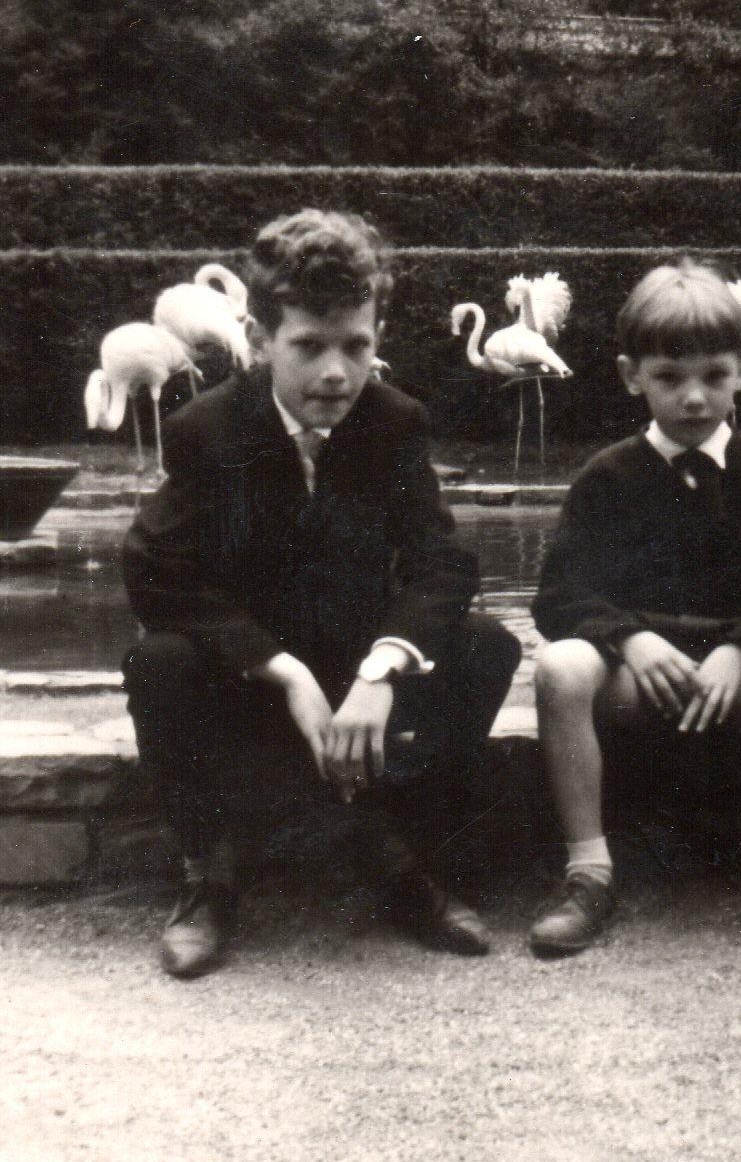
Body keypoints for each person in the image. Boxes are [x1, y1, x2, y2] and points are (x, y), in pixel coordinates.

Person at [122, 209, 521, 978]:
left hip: (354, 674)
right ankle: (212, 873)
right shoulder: (208, 428)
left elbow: (443, 563)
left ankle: (398, 853)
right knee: (159, 663)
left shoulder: (394, 423)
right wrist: (280, 670)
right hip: (251, 681)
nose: (337, 372)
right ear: (261, 338)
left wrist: (382, 669)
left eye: (357, 346)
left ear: (377, 338)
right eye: (309, 346)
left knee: (486, 648)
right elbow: (152, 570)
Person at [528, 259, 741, 955]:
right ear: (631, 376)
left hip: (739, 681)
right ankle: (588, 872)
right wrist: (628, 639)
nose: (694, 398)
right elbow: (560, 596)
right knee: (561, 666)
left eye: (714, 376)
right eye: (669, 378)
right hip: (641, 679)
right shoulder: (606, 477)